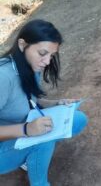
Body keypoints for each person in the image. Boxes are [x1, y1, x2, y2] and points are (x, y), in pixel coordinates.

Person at [0, 19, 88, 186]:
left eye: (51, 55)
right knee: (45, 137)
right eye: (42, 53)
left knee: (78, 119)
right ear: (22, 44)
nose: (47, 61)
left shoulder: (29, 66)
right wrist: (27, 129)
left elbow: (28, 100)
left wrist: (57, 104)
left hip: (23, 129)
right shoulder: (3, 77)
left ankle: (30, 153)